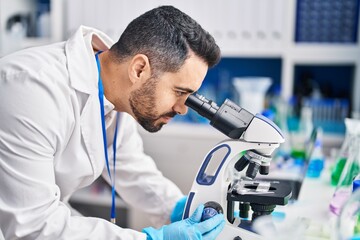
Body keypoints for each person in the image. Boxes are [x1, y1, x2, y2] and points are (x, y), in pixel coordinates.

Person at [0, 5, 225, 240]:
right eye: (179, 92)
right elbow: (33, 227)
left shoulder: (115, 93)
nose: (182, 108)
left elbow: (131, 167)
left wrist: (178, 209)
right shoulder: (30, 89)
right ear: (139, 69)